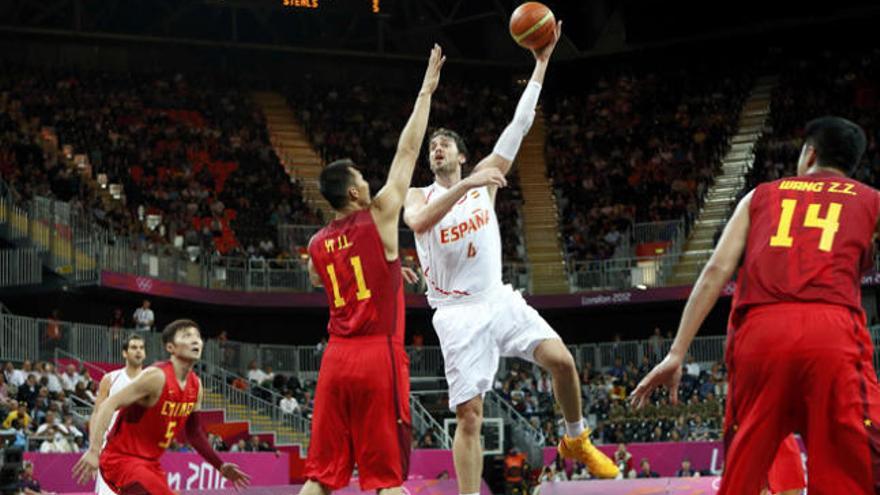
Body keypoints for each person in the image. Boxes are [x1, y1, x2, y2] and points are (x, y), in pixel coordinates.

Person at [403, 21, 617, 492]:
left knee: (562, 361)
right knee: (470, 415)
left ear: (461, 153)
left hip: (497, 299)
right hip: (456, 314)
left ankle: (576, 438)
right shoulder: (420, 195)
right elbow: (417, 224)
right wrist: (465, 185)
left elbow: (519, 125)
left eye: (444, 145)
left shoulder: (486, 174)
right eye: (432, 147)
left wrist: (540, 64)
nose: (436, 149)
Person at [631, 117, 880, 494]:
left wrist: (677, 352)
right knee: (853, 463)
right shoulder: (871, 200)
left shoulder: (760, 195)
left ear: (808, 153)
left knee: (746, 469)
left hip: (761, 333)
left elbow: (715, 270)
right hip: (832, 331)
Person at [298, 45, 445, 495]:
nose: (369, 180)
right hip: (376, 355)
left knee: (321, 476)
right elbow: (408, 149)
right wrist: (425, 91)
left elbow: (327, 277)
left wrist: (387, 268)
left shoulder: (316, 244)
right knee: (385, 480)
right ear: (356, 194)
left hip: (335, 358)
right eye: (362, 178)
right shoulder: (379, 214)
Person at [72, 320, 249, 493]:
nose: (195, 340)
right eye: (187, 336)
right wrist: (94, 451)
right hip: (122, 459)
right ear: (170, 347)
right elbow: (108, 404)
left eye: (198, 336)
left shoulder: (196, 386)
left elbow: (194, 433)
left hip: (150, 464)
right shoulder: (156, 377)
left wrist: (221, 465)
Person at [92, 334, 147, 495]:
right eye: (134, 347)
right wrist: (93, 450)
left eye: (141, 348)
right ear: (124, 353)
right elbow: (97, 413)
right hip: (112, 450)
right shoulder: (110, 379)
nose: (138, 351)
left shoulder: (153, 381)